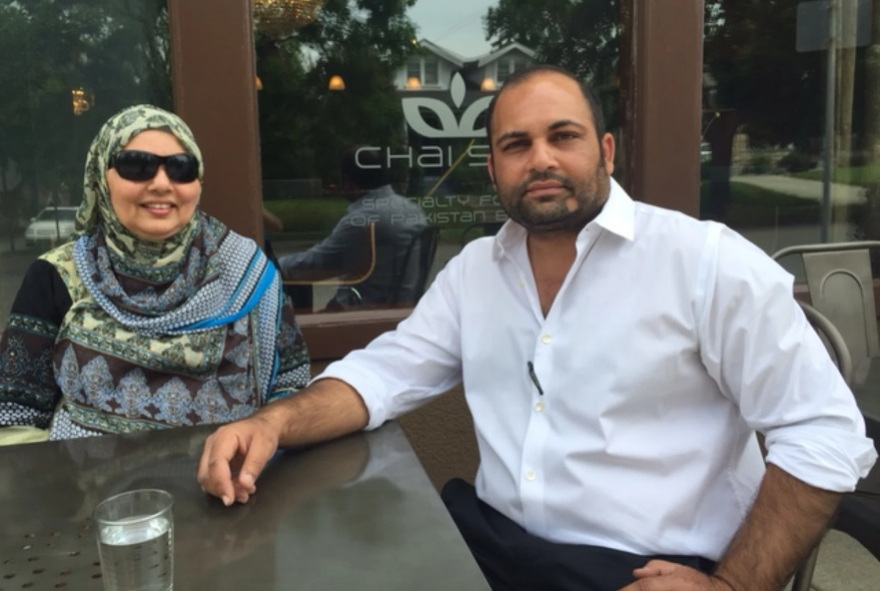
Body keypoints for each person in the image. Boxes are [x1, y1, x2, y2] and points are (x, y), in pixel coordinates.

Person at [197, 66, 877, 590]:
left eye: (563, 136)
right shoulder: (476, 272)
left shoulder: (704, 263)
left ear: (605, 149)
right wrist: (274, 423)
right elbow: (387, 370)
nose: (541, 159)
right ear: (493, 168)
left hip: (641, 570)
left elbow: (823, 432)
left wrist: (732, 582)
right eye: (516, 144)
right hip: (498, 547)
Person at [0, 105, 309, 445]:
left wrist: (264, 446)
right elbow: (18, 416)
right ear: (101, 177)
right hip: (88, 489)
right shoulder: (57, 275)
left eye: (181, 168)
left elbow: (291, 381)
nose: (162, 183)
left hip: (231, 483)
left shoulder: (246, 268)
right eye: (136, 165)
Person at [278, 146, 428, 310]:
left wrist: (271, 266)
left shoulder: (363, 219)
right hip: (400, 312)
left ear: (348, 182)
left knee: (295, 328)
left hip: (363, 314)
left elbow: (315, 266)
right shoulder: (412, 210)